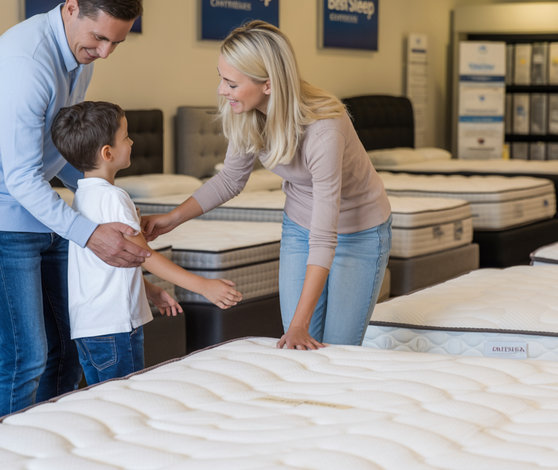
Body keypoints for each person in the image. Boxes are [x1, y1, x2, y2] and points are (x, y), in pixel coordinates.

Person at [0, 0, 157, 419]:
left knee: (66, 347)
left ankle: (49, 450)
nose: (104, 53)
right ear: (70, 8)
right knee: (26, 354)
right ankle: (3, 456)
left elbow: (57, 152)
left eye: (115, 43)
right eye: (99, 38)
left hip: (41, 212)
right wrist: (89, 233)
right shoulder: (26, 66)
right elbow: (22, 178)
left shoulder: (76, 55)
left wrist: (99, 196)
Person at [142, 21, 392, 351]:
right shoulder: (245, 113)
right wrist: (170, 219)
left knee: (337, 349)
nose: (221, 90)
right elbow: (231, 179)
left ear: (269, 85)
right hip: (301, 226)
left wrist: (300, 327)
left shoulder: (324, 130)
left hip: (359, 231)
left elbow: (324, 235)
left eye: (231, 82)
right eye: (221, 77)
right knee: (297, 344)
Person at [50, 101, 242, 384]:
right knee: (126, 402)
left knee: (104, 401)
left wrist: (148, 289)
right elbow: (144, 254)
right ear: (107, 152)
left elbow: (108, 264)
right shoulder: (114, 198)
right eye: (126, 137)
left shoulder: (81, 197)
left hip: (90, 327)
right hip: (116, 327)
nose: (132, 141)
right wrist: (203, 286)